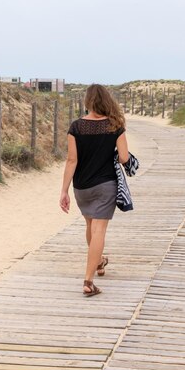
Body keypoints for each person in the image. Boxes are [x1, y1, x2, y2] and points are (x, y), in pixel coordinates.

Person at [60, 84, 129, 297]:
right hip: (105, 184)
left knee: (90, 225)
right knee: (99, 229)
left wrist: (64, 191)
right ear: (106, 100)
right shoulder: (115, 125)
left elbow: (72, 160)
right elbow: (124, 158)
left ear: (87, 101)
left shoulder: (76, 127)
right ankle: (88, 282)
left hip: (82, 186)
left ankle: (99, 262)